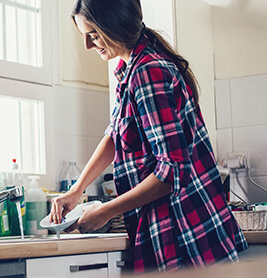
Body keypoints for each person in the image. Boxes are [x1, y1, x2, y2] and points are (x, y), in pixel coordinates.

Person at [50, 0, 248, 273]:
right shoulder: (130, 70)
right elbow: (115, 135)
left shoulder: (148, 72)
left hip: (186, 234)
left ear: (115, 25)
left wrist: (106, 212)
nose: (87, 45)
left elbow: (171, 173)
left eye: (93, 35)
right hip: (175, 230)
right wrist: (76, 190)